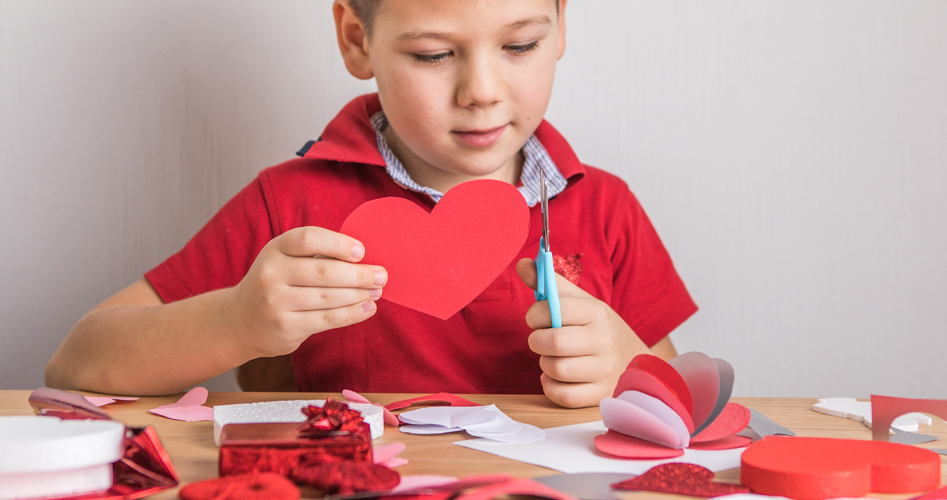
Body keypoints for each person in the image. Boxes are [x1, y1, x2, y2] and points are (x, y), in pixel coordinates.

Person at [46, 0, 696, 408]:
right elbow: (77, 363)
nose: (481, 90)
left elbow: (679, 399)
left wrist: (627, 365)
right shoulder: (292, 200)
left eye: (519, 45)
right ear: (357, 39)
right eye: (434, 54)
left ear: (559, 25)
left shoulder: (603, 205)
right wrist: (238, 322)